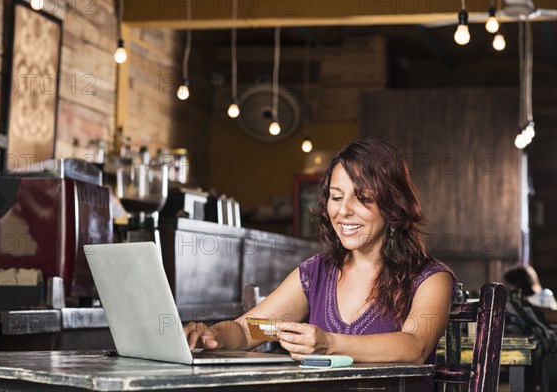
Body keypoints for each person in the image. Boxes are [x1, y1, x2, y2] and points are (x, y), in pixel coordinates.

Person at [184, 138, 456, 390]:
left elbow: (415, 347)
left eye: (362, 198)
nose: (344, 210)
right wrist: (210, 334)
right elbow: (249, 329)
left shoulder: (430, 278)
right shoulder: (316, 273)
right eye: (336, 197)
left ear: (393, 204)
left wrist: (328, 343)